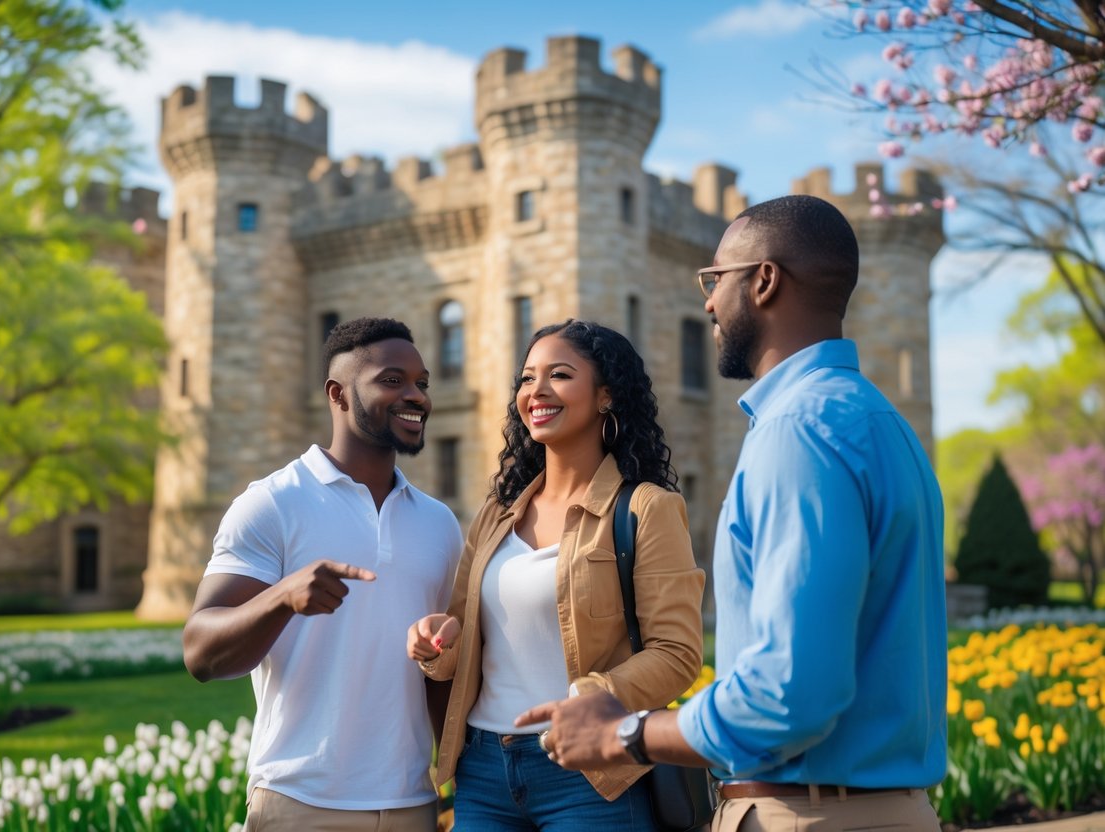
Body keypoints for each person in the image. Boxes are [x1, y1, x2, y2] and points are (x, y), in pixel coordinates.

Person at [516, 195, 947, 832]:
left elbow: (789, 694)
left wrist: (627, 732)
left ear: (764, 281)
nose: (709, 303)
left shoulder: (796, 432)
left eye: (715, 280)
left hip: (806, 814)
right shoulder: (882, 422)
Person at [408, 319, 706, 831]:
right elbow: (459, 638)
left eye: (560, 375)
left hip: (591, 775)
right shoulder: (495, 514)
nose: (537, 391)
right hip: (484, 773)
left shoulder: (647, 509)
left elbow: (677, 654)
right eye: (527, 378)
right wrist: (436, 643)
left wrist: (591, 694)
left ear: (606, 395)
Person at [183, 317, 464, 832]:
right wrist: (282, 598)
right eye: (392, 380)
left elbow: (444, 671)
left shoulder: (439, 524)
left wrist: (461, 777)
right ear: (337, 394)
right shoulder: (272, 503)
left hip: (413, 805)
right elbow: (200, 653)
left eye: (422, 382)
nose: (416, 395)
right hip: (300, 803)